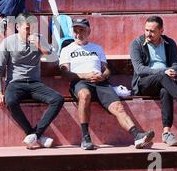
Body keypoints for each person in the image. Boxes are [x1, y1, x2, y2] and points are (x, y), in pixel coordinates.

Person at [59, 18, 155, 150]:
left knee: (118, 107)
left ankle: (137, 136)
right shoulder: (67, 50)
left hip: (100, 83)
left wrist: (102, 76)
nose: (78, 34)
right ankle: (85, 138)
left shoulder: (97, 48)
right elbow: (65, 74)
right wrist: (85, 75)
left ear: (89, 31)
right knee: (84, 95)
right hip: (80, 81)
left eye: (81, 30)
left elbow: (107, 69)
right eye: (75, 31)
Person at [0, 13, 64, 149]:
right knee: (11, 101)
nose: (30, 31)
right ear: (18, 27)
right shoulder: (8, 42)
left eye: (33, 27)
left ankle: (35, 134)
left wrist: (40, 46)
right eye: (27, 28)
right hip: (15, 83)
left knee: (58, 99)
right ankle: (33, 134)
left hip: (34, 83)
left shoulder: (39, 39)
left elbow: (54, 59)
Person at [130, 15, 177, 146]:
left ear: (161, 31)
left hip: (165, 81)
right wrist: (164, 71)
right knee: (163, 76)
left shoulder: (170, 43)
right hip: (144, 82)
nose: (148, 34)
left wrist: (173, 71)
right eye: (146, 30)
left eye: (152, 31)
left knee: (165, 90)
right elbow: (139, 69)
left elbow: (176, 64)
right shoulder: (137, 43)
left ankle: (166, 132)